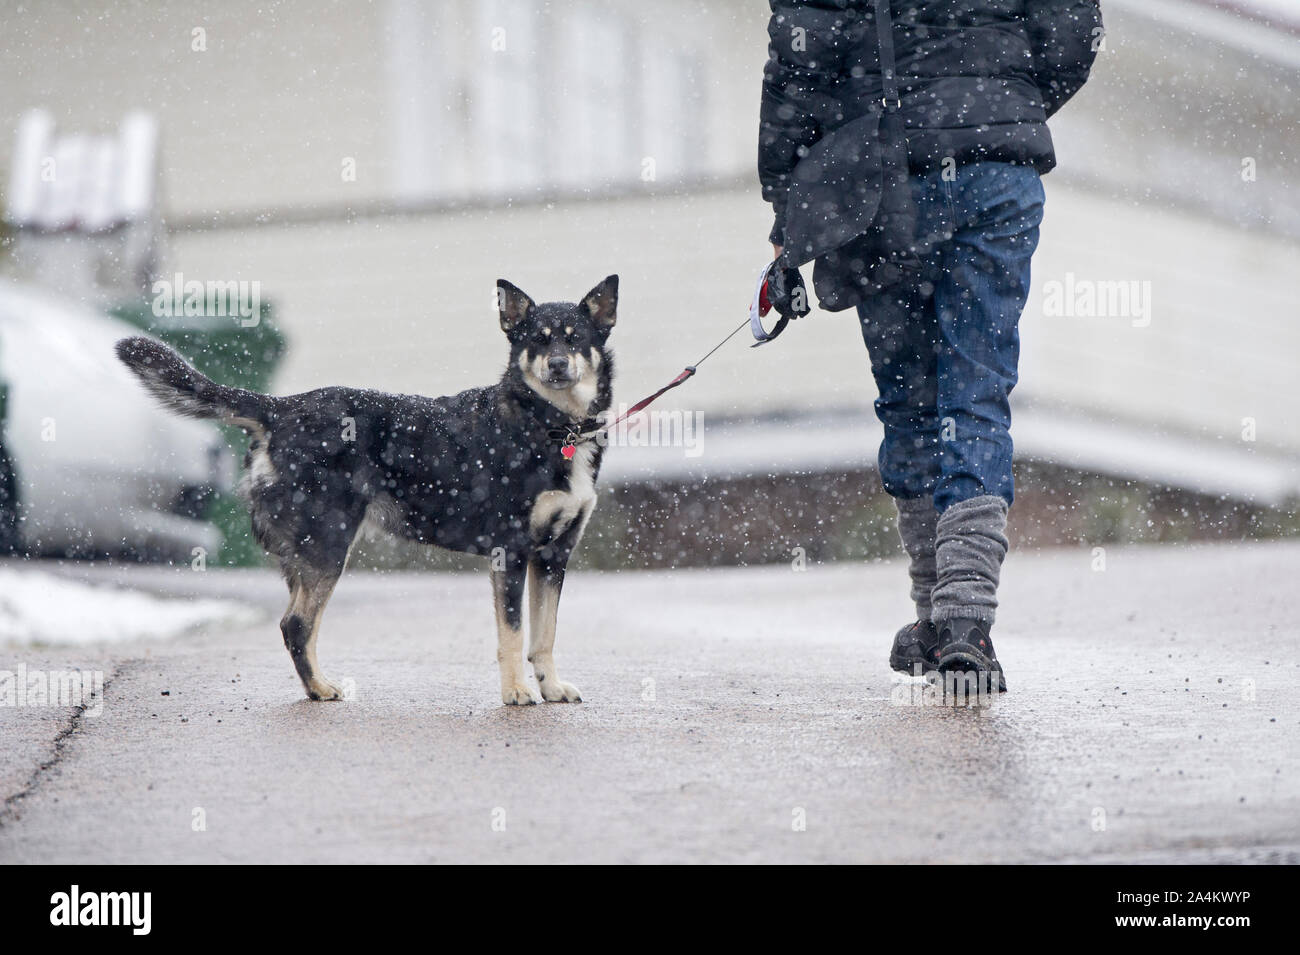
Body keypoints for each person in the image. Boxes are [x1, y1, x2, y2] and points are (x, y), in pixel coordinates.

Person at [758, 0, 1102, 692]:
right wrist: (1004, 105)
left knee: (911, 399)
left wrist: (784, 202)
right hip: (995, 174)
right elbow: (1073, 35)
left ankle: (939, 616)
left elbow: (800, 63)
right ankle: (964, 622)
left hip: (884, 175)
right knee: (975, 391)